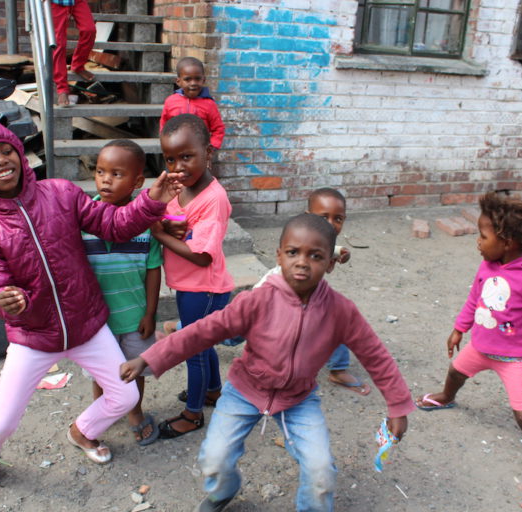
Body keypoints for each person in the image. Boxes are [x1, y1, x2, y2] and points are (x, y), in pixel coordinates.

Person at [121, 213, 414, 512]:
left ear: (330, 263)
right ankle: (223, 490)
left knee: (321, 471)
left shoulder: (341, 311)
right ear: (279, 255)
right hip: (245, 389)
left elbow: (375, 355)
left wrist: (398, 405)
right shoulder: (256, 300)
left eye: (315, 256)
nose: (302, 262)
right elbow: (203, 331)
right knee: (214, 459)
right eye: (293, 253)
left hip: (298, 398)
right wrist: (149, 357)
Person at [0, 115, 179, 504]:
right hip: (34, 336)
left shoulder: (61, 193)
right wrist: (3, 300)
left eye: (6, 149)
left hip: (87, 325)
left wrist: (150, 203)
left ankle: (81, 430)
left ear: (20, 153)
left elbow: (114, 224)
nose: (1, 160)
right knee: (4, 418)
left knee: (124, 397)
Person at [415, 191, 522, 512]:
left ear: (507, 241)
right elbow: (475, 300)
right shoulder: (487, 265)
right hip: (481, 347)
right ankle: (446, 397)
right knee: (455, 372)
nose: (478, 242)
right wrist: (459, 328)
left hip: (517, 361)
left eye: (483, 236)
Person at [149, 113, 234, 438]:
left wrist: (160, 235)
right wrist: (164, 218)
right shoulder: (179, 187)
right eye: (171, 159)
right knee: (204, 345)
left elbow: (200, 255)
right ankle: (212, 391)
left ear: (208, 153)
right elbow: (164, 212)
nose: (178, 166)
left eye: (187, 156)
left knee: (193, 350)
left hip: (205, 288)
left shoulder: (213, 199)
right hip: (190, 287)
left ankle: (193, 414)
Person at [82, 140, 163, 446]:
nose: (105, 179)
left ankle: (134, 411)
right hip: (96, 322)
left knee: (134, 371)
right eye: (100, 171)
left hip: (133, 316)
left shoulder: (145, 223)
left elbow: (153, 268)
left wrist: (150, 312)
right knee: (100, 374)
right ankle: (100, 412)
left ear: (138, 182)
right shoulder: (83, 217)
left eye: (116, 173)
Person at [254, 187, 371, 395]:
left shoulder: (326, 239)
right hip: (273, 296)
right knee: (237, 330)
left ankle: (337, 369)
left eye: (338, 219)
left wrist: (343, 255)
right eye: (324, 217)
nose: (331, 224)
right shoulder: (301, 234)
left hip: (304, 296)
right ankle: (186, 328)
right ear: (308, 216)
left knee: (334, 320)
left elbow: (335, 252)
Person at [159, 57, 225, 150]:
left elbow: (218, 129)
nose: (193, 83)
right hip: (176, 149)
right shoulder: (170, 102)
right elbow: (164, 125)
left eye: (197, 79)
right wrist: (166, 142)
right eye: (188, 79)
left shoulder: (209, 104)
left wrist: (211, 147)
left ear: (203, 80)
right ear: (178, 81)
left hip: (200, 150)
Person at [50, 0, 96, 107]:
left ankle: (78, 65)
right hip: (56, 2)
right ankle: (62, 88)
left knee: (89, 30)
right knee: (58, 43)